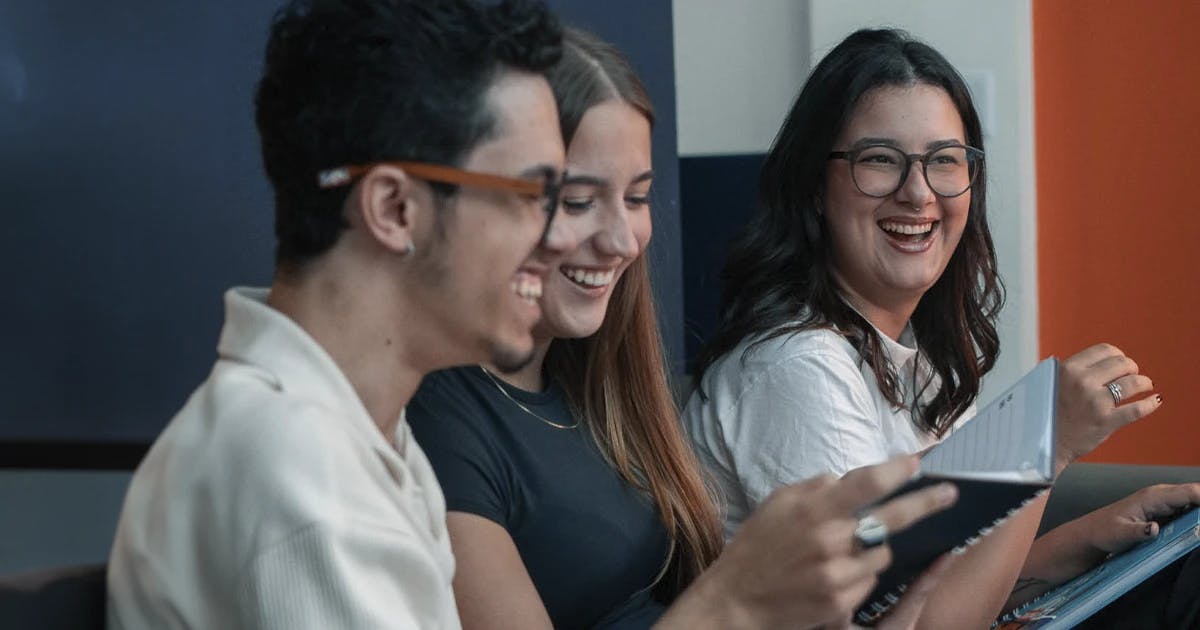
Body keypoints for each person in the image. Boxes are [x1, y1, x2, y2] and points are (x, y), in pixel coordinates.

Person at [409, 26, 956, 630]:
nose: (621, 241)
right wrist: (739, 596)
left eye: (637, 198)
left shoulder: (597, 385)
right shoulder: (436, 418)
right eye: (577, 199)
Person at [684, 27, 1200, 629]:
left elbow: (945, 593)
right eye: (880, 160)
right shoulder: (796, 370)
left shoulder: (916, 362)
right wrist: (1047, 445)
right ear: (814, 187)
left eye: (943, 161)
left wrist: (1085, 542)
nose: (918, 192)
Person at [106, 0, 571, 626]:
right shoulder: (298, 467)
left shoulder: (359, 433)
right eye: (533, 195)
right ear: (395, 209)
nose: (559, 237)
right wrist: (728, 604)